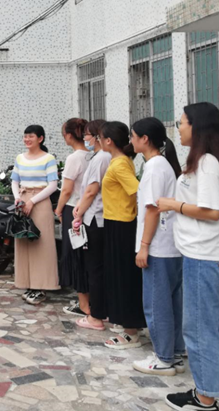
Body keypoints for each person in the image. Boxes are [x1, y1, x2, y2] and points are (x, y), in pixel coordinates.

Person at [159, 103, 219, 411]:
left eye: (181, 123)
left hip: (203, 257)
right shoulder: (204, 161)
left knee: (198, 329)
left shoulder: (207, 163)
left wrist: (173, 205)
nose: (178, 128)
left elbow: (212, 211)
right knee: (215, 324)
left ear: (197, 127)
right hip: (205, 255)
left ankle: (205, 397)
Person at [129, 117, 185, 376]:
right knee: (171, 302)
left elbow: (152, 209)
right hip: (170, 245)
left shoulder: (154, 167)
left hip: (158, 247)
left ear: (145, 139)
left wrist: (144, 246)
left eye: (133, 136)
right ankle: (175, 352)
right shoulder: (163, 164)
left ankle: (163, 358)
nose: (131, 141)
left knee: (156, 304)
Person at [100, 121, 146, 349]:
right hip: (117, 222)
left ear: (108, 141)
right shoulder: (121, 160)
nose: (98, 141)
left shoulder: (119, 164)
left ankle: (130, 332)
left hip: (122, 224)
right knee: (120, 277)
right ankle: (128, 323)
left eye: (99, 137)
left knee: (123, 278)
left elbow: (138, 191)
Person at [11, 124, 60, 305]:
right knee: (23, 243)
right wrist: (18, 198)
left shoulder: (48, 158)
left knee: (42, 244)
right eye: (25, 136)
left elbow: (52, 185)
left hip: (40, 201)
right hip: (23, 200)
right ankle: (27, 283)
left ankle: (41, 287)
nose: (27, 139)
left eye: (31, 136)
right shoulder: (20, 158)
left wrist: (32, 201)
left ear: (40, 138)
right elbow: (15, 181)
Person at [70, 119, 111, 329]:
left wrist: (79, 211)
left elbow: (91, 190)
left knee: (94, 268)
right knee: (98, 268)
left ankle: (96, 316)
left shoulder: (102, 157)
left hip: (96, 217)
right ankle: (102, 310)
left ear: (97, 136)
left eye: (87, 134)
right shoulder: (101, 156)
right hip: (96, 215)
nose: (85, 138)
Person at [53, 118, 89, 297]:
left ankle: (81, 296)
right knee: (85, 251)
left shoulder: (74, 158)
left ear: (68, 136)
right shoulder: (93, 155)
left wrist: (58, 209)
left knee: (73, 250)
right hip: (89, 207)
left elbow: (67, 189)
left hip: (72, 207)